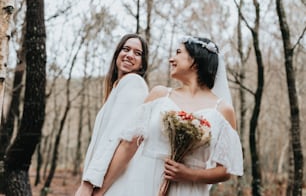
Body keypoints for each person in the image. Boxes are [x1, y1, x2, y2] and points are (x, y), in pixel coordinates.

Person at [93, 36, 243, 196]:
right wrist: (100, 190)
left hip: (188, 190)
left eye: (178, 52)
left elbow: (225, 170)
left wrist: (189, 174)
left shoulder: (223, 110)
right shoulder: (159, 94)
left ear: (196, 61)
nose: (171, 59)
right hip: (141, 183)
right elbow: (128, 145)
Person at [75, 33, 149, 196]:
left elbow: (123, 140)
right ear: (117, 54)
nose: (130, 55)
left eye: (137, 53)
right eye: (126, 49)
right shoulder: (118, 87)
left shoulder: (133, 83)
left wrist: (91, 185)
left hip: (112, 185)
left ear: (142, 64)